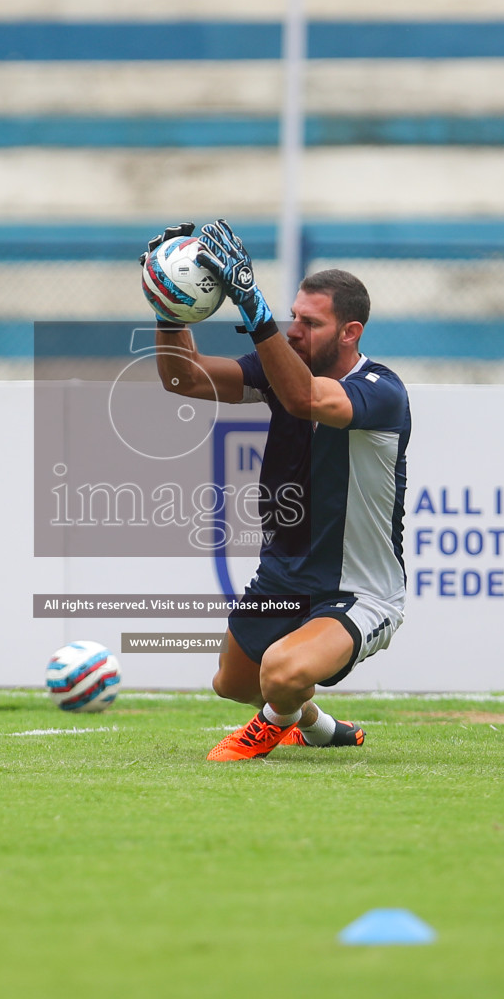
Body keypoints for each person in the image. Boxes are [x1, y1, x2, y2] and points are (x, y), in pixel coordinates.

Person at [143, 220, 411, 761]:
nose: (293, 330)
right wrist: (168, 305)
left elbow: (306, 399)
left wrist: (253, 309)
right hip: (283, 574)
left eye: (309, 323)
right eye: (292, 316)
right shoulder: (284, 370)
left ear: (350, 332)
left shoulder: (381, 392)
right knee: (234, 685)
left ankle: (266, 730)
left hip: (358, 591)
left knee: (281, 671)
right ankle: (314, 723)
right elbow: (183, 379)